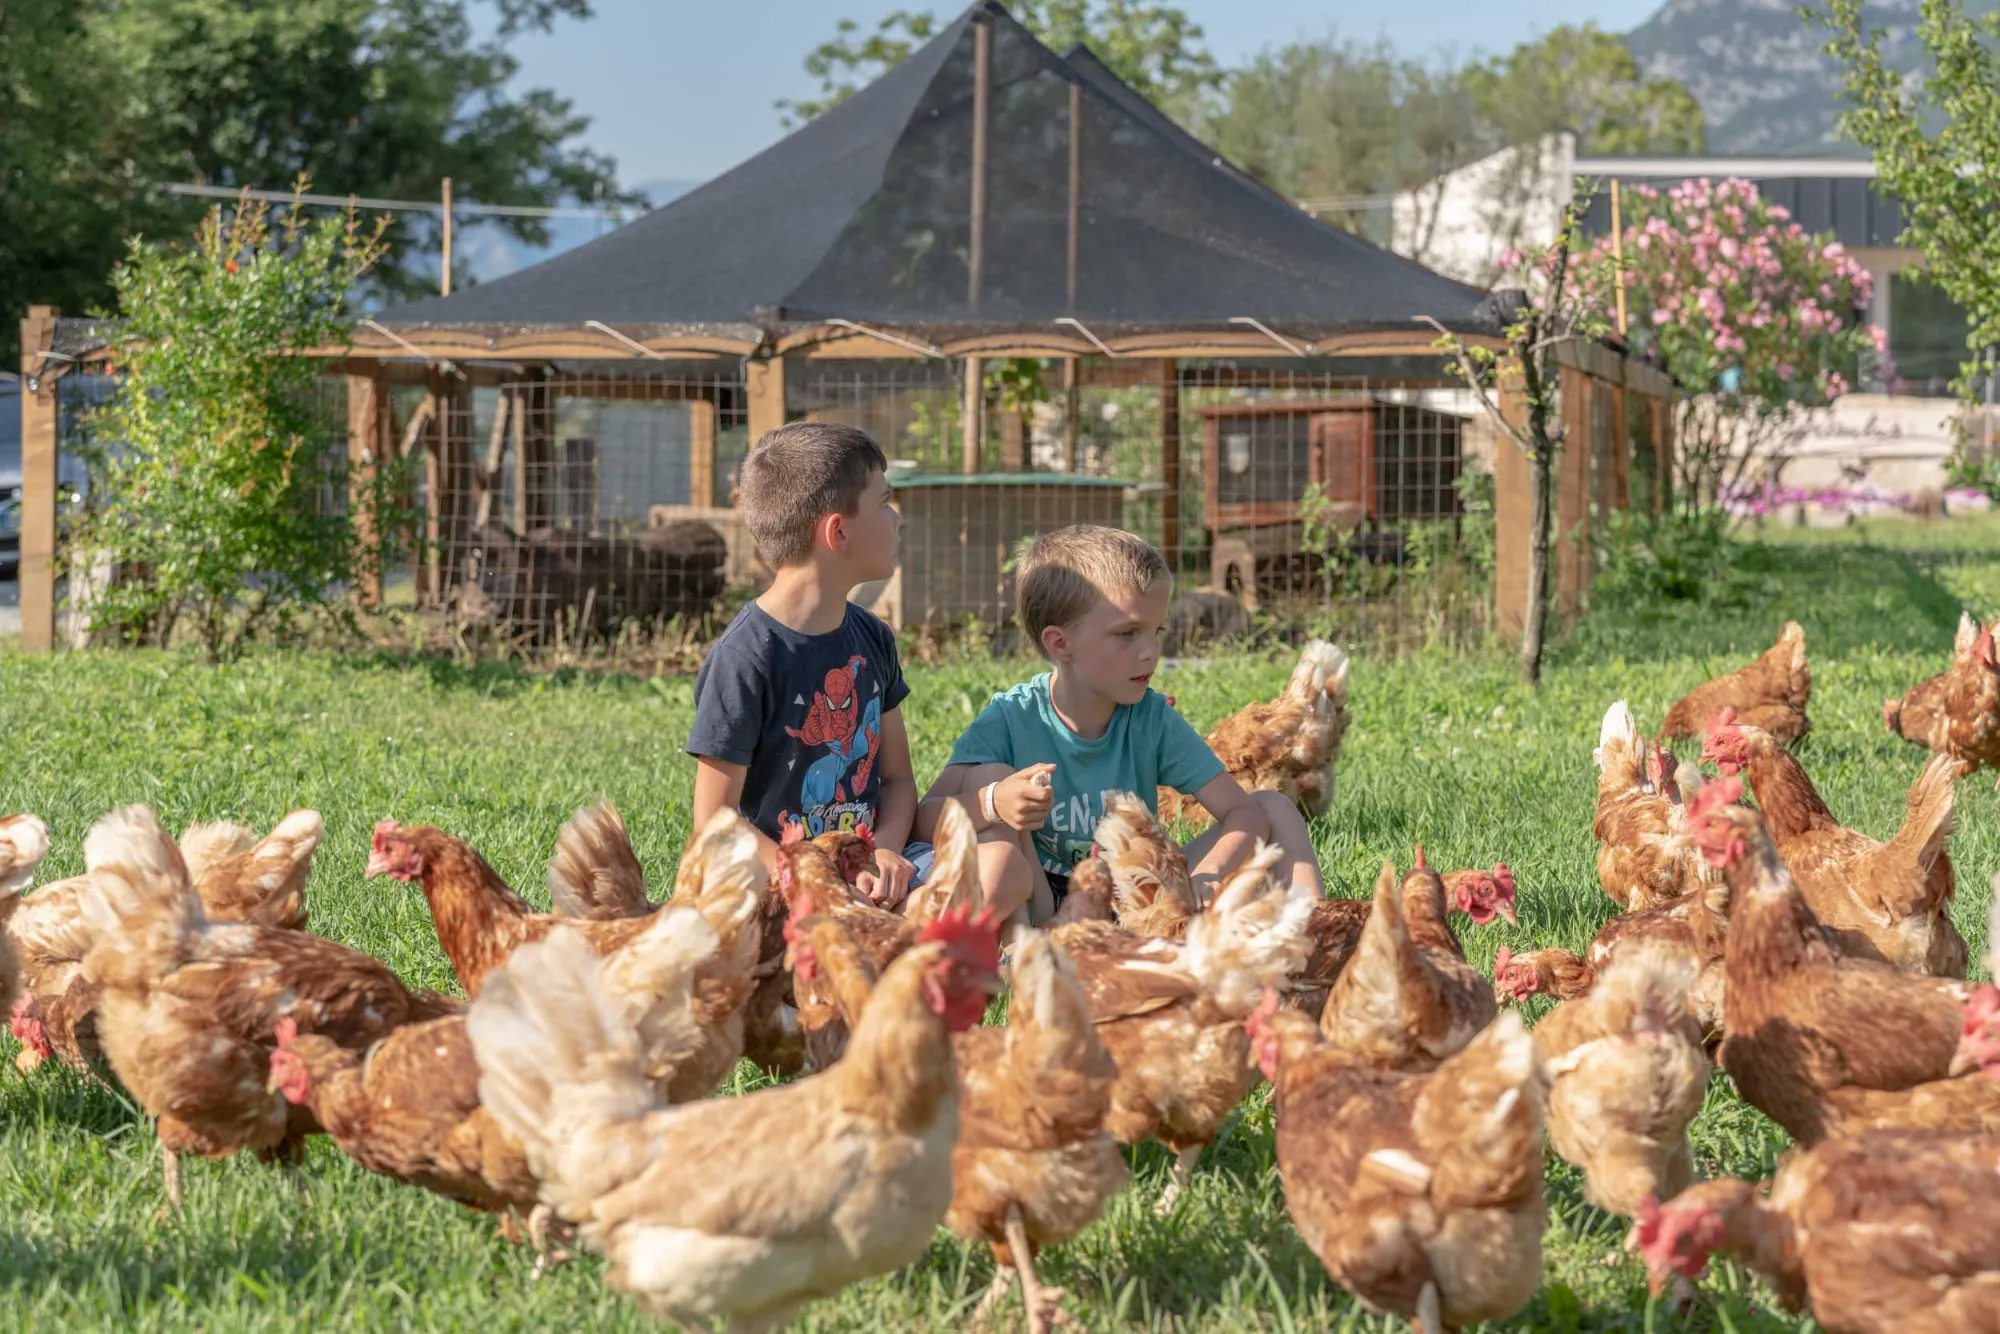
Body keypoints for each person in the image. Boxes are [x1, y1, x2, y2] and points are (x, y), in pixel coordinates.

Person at [920, 524, 1324, 926]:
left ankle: (1315, 934)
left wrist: (1209, 873)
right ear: (1060, 643)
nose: (1151, 651)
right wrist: (996, 800)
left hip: (1136, 900)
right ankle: (1024, 952)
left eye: (1157, 630)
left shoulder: (1151, 719)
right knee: (989, 778)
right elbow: (925, 820)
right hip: (1041, 906)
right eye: (1128, 633)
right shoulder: (1010, 718)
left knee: (1275, 806)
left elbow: (1244, 812)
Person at [687, 421, 924, 907]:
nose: (898, 519)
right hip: (776, 885)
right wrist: (812, 887)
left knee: (982, 874)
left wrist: (886, 855)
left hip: (866, 869)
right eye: (883, 503)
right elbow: (714, 822)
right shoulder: (744, 658)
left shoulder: (873, 637)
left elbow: (898, 781)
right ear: (838, 532)